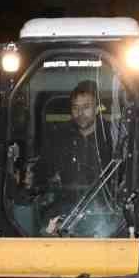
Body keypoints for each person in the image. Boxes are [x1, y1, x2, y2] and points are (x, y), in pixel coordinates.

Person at [29, 80, 121, 235]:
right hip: (66, 208)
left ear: (97, 108)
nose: (80, 113)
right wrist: (32, 177)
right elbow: (43, 171)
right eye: (75, 108)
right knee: (43, 234)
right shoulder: (59, 137)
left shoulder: (112, 136)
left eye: (86, 107)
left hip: (105, 211)